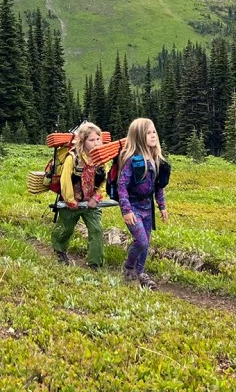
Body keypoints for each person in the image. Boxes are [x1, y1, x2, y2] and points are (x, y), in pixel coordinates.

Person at [116, 117, 169, 289]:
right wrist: (126, 210)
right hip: (133, 207)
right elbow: (121, 185)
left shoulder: (156, 159)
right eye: (148, 133)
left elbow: (158, 187)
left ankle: (141, 273)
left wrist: (162, 206)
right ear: (138, 136)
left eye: (154, 132)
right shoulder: (132, 160)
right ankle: (129, 266)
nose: (153, 135)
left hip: (148, 208)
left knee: (146, 243)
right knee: (142, 241)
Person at [51, 121, 106, 269]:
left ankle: (95, 263)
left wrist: (97, 197)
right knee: (66, 229)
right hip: (70, 202)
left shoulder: (101, 158)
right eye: (92, 140)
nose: (96, 143)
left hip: (91, 203)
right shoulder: (73, 158)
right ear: (83, 141)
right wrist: (70, 200)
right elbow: (65, 180)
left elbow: (104, 180)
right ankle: (59, 250)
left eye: (98, 139)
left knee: (96, 229)